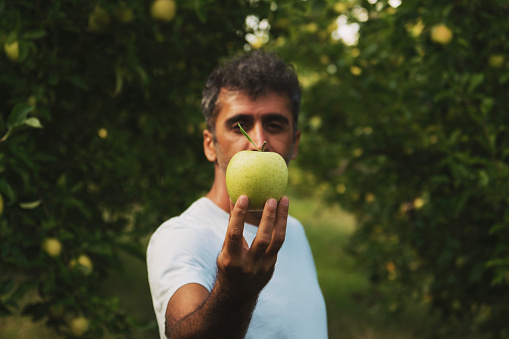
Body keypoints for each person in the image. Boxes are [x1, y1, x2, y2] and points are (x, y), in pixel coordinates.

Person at [147, 50, 328, 339]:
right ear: (210, 145)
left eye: (275, 124)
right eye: (238, 125)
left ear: (295, 143)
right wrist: (235, 291)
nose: (257, 142)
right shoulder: (181, 235)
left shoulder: (293, 230)